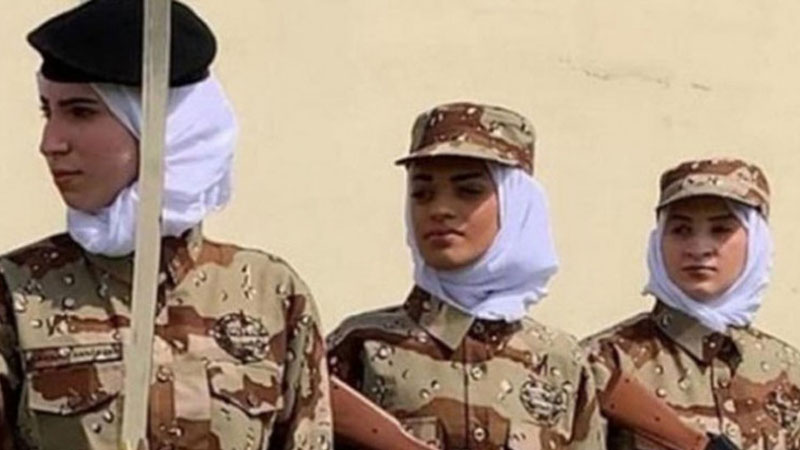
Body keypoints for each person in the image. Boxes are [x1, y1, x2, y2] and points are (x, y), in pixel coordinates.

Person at [0, 1, 332, 449]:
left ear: (163, 127)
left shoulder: (270, 294)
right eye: (47, 112)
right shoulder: (18, 292)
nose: (50, 143)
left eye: (80, 112)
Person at [327, 102, 605, 449]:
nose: (440, 209)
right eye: (422, 194)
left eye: (468, 191)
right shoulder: (361, 346)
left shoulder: (560, 361)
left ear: (516, 203)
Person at [583, 158, 800, 449]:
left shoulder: (787, 371)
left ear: (757, 241)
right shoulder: (604, 363)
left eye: (720, 230)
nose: (699, 249)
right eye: (681, 230)